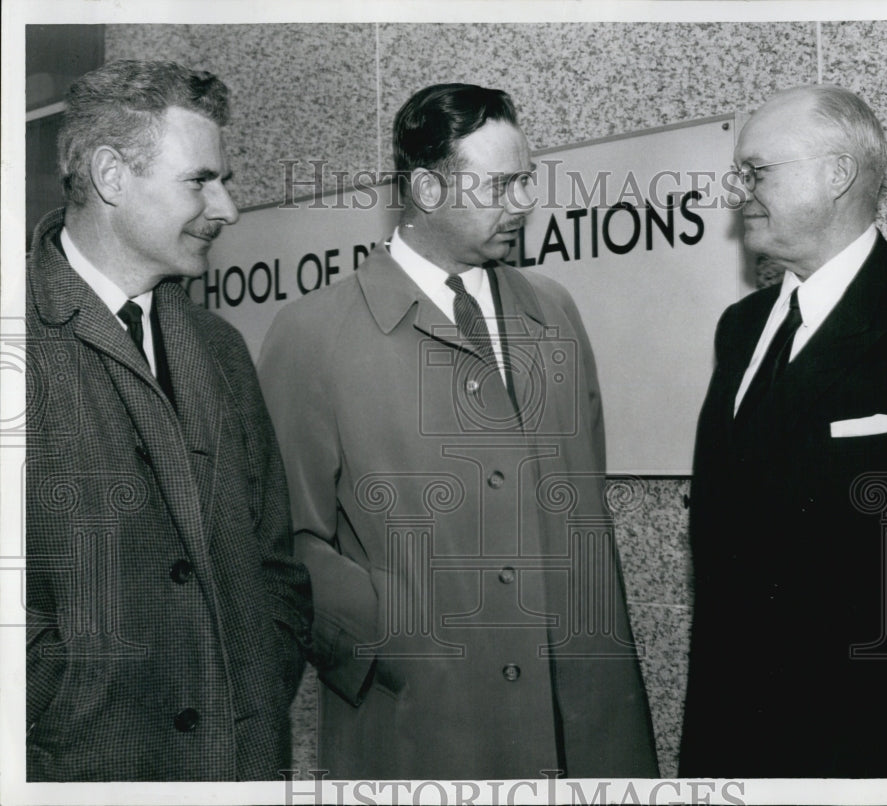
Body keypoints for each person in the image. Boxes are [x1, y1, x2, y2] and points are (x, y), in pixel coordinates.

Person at [257, 83, 659, 779]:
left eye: (526, 181)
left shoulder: (555, 311)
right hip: (424, 732)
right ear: (428, 190)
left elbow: (581, 500)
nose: (525, 203)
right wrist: (394, 645)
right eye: (501, 185)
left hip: (584, 728)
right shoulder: (312, 334)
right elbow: (285, 539)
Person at [679, 84, 887, 777]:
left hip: (866, 748)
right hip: (728, 738)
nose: (737, 190)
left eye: (756, 171)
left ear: (836, 173)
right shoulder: (741, 328)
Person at [26, 60, 312, 781]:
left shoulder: (221, 350)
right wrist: (60, 703)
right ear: (112, 176)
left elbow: (275, 561)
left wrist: (260, 682)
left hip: (237, 767)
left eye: (225, 180)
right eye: (199, 180)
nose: (227, 208)